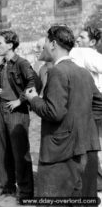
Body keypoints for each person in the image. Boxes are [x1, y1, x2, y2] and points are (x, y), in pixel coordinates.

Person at [26, 25, 102, 201]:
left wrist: (34, 99)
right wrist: (81, 124)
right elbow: (98, 103)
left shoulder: (57, 71)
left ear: (53, 44)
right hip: (86, 145)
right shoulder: (83, 72)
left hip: (60, 151)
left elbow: (54, 112)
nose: (43, 47)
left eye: (45, 42)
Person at [0, 30, 35, 201]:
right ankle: (7, 186)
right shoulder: (2, 65)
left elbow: (33, 83)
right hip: (1, 109)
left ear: (10, 45)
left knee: (20, 152)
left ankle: (25, 193)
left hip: (17, 112)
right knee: (2, 150)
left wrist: (20, 100)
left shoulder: (22, 63)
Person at [69, 26, 102, 192]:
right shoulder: (89, 54)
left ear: (92, 42)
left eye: (82, 37)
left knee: (88, 147)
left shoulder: (84, 52)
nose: (78, 40)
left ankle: (91, 185)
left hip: (92, 105)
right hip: (95, 104)